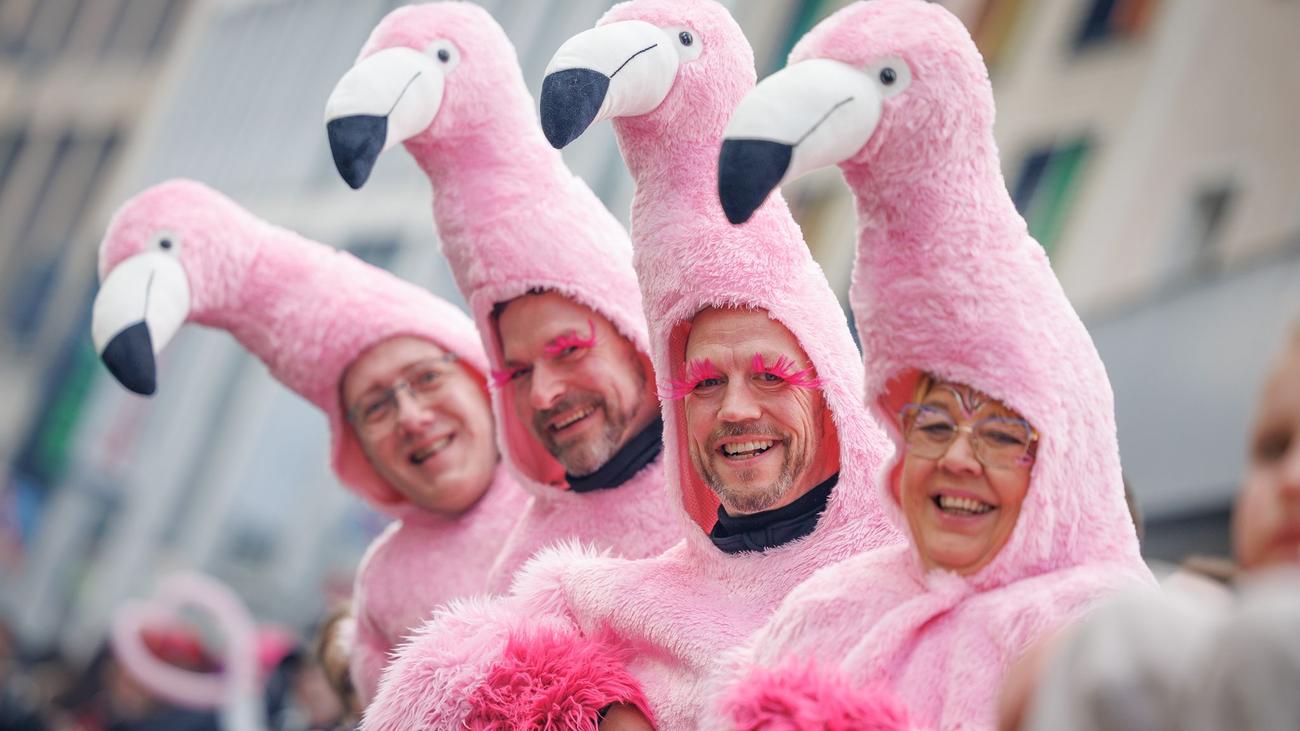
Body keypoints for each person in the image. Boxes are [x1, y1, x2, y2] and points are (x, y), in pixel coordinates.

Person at [361, 1, 898, 727]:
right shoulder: (589, 604)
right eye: (705, 383)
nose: (735, 406)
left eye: (771, 373)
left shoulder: (916, 585)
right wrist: (583, 703)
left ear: (829, 390)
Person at [711, 2, 1152, 728]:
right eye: (933, 423)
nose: (957, 457)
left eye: (1004, 434)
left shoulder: (1105, 641)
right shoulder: (826, 611)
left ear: (1061, 453)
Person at [92, 179, 525, 706]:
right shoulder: (384, 593)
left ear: (481, 381)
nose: (411, 416)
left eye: (427, 378)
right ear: (359, 451)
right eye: (376, 407)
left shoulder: (581, 493)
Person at [325, 3, 685, 591]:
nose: (542, 393)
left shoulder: (749, 481)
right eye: (515, 372)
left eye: (568, 349)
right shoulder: (522, 578)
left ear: (633, 333)